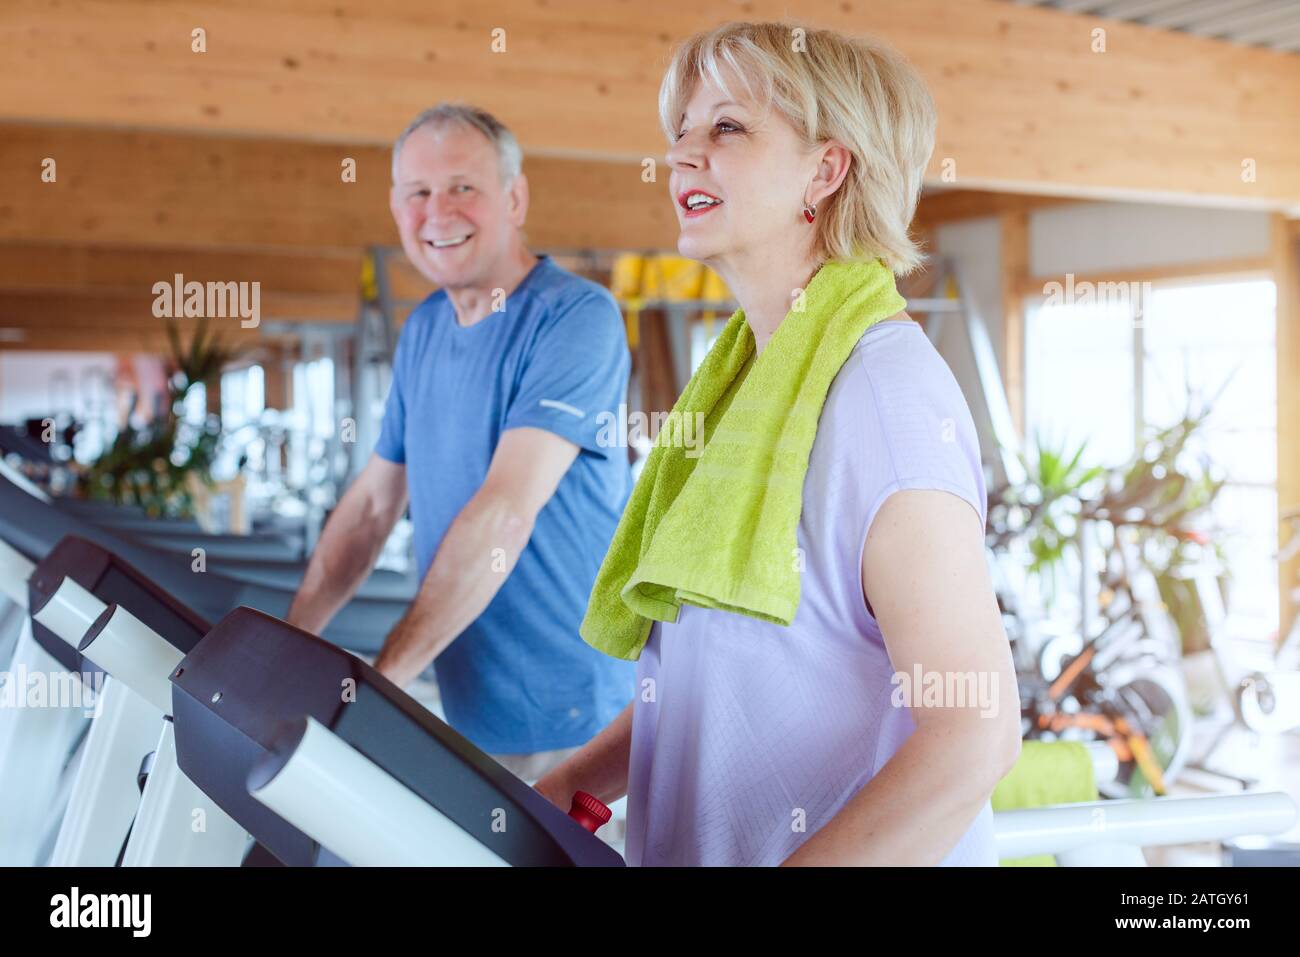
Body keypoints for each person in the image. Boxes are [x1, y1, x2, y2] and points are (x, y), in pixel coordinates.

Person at [536, 21, 1022, 865]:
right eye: (678, 131)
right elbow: (705, 678)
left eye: (726, 127)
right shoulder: (744, 390)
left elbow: (974, 735)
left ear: (826, 171)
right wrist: (562, 786)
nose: (682, 156)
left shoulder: (884, 398)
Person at [287, 104, 635, 784]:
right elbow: (370, 508)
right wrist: (288, 642)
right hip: (468, 710)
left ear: (515, 196)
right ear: (396, 208)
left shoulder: (574, 317)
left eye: (462, 187)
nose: (437, 212)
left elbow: (503, 514)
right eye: (418, 193)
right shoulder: (423, 330)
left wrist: (381, 682)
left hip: (573, 724)